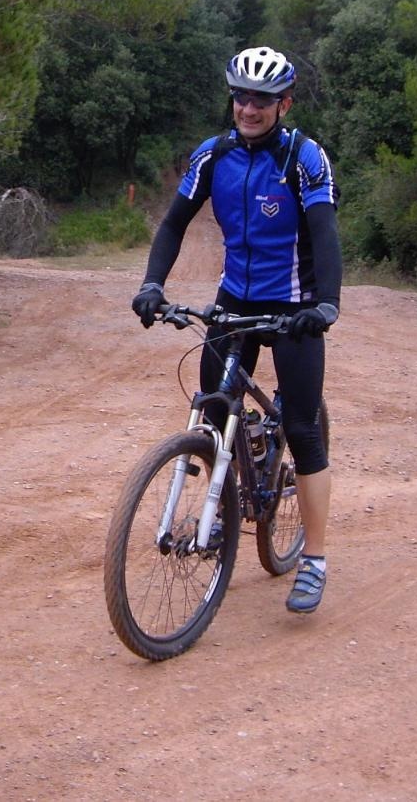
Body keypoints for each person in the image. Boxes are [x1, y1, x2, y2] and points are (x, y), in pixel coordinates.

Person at [131, 45, 342, 615]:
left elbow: (324, 234)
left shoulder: (304, 158)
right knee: (216, 407)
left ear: (283, 104)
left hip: (293, 306)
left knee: (300, 427)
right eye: (242, 96)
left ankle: (315, 559)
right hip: (234, 299)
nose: (249, 108)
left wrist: (325, 305)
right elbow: (173, 224)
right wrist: (153, 284)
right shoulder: (212, 155)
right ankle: (226, 494)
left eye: (263, 99)